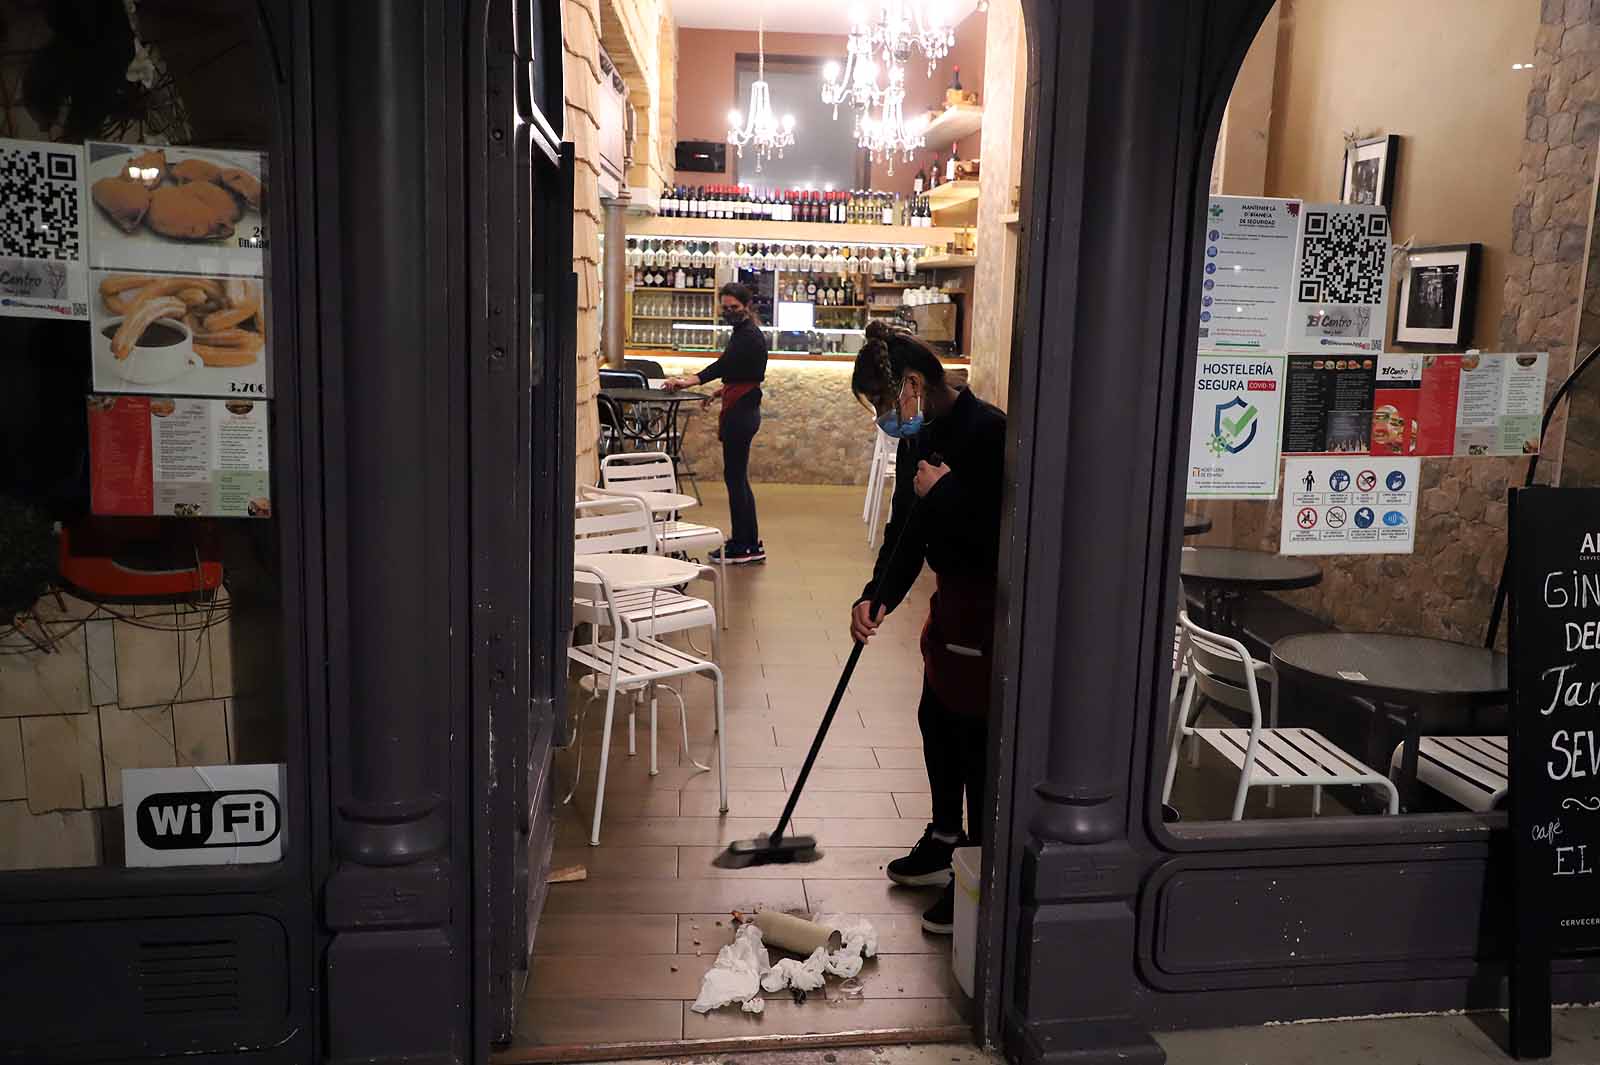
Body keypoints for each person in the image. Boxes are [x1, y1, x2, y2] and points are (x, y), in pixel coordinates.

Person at [849, 321, 1006, 934]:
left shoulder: (989, 433)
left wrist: (947, 496)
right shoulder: (921, 437)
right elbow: (905, 530)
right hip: (948, 605)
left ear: (913, 384)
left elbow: (999, 536)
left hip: (986, 603)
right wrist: (876, 596)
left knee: (973, 738)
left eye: (886, 403)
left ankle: (976, 869)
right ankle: (943, 838)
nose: (887, 417)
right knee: (935, 720)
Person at [663, 282, 768, 563]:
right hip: (744, 405)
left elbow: (723, 366)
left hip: (742, 412)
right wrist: (721, 390)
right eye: (725, 308)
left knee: (735, 479)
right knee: (737, 478)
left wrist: (689, 380)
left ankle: (743, 545)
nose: (729, 312)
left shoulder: (747, 335)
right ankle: (748, 542)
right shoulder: (746, 332)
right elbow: (742, 371)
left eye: (734, 308)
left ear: (746, 306)